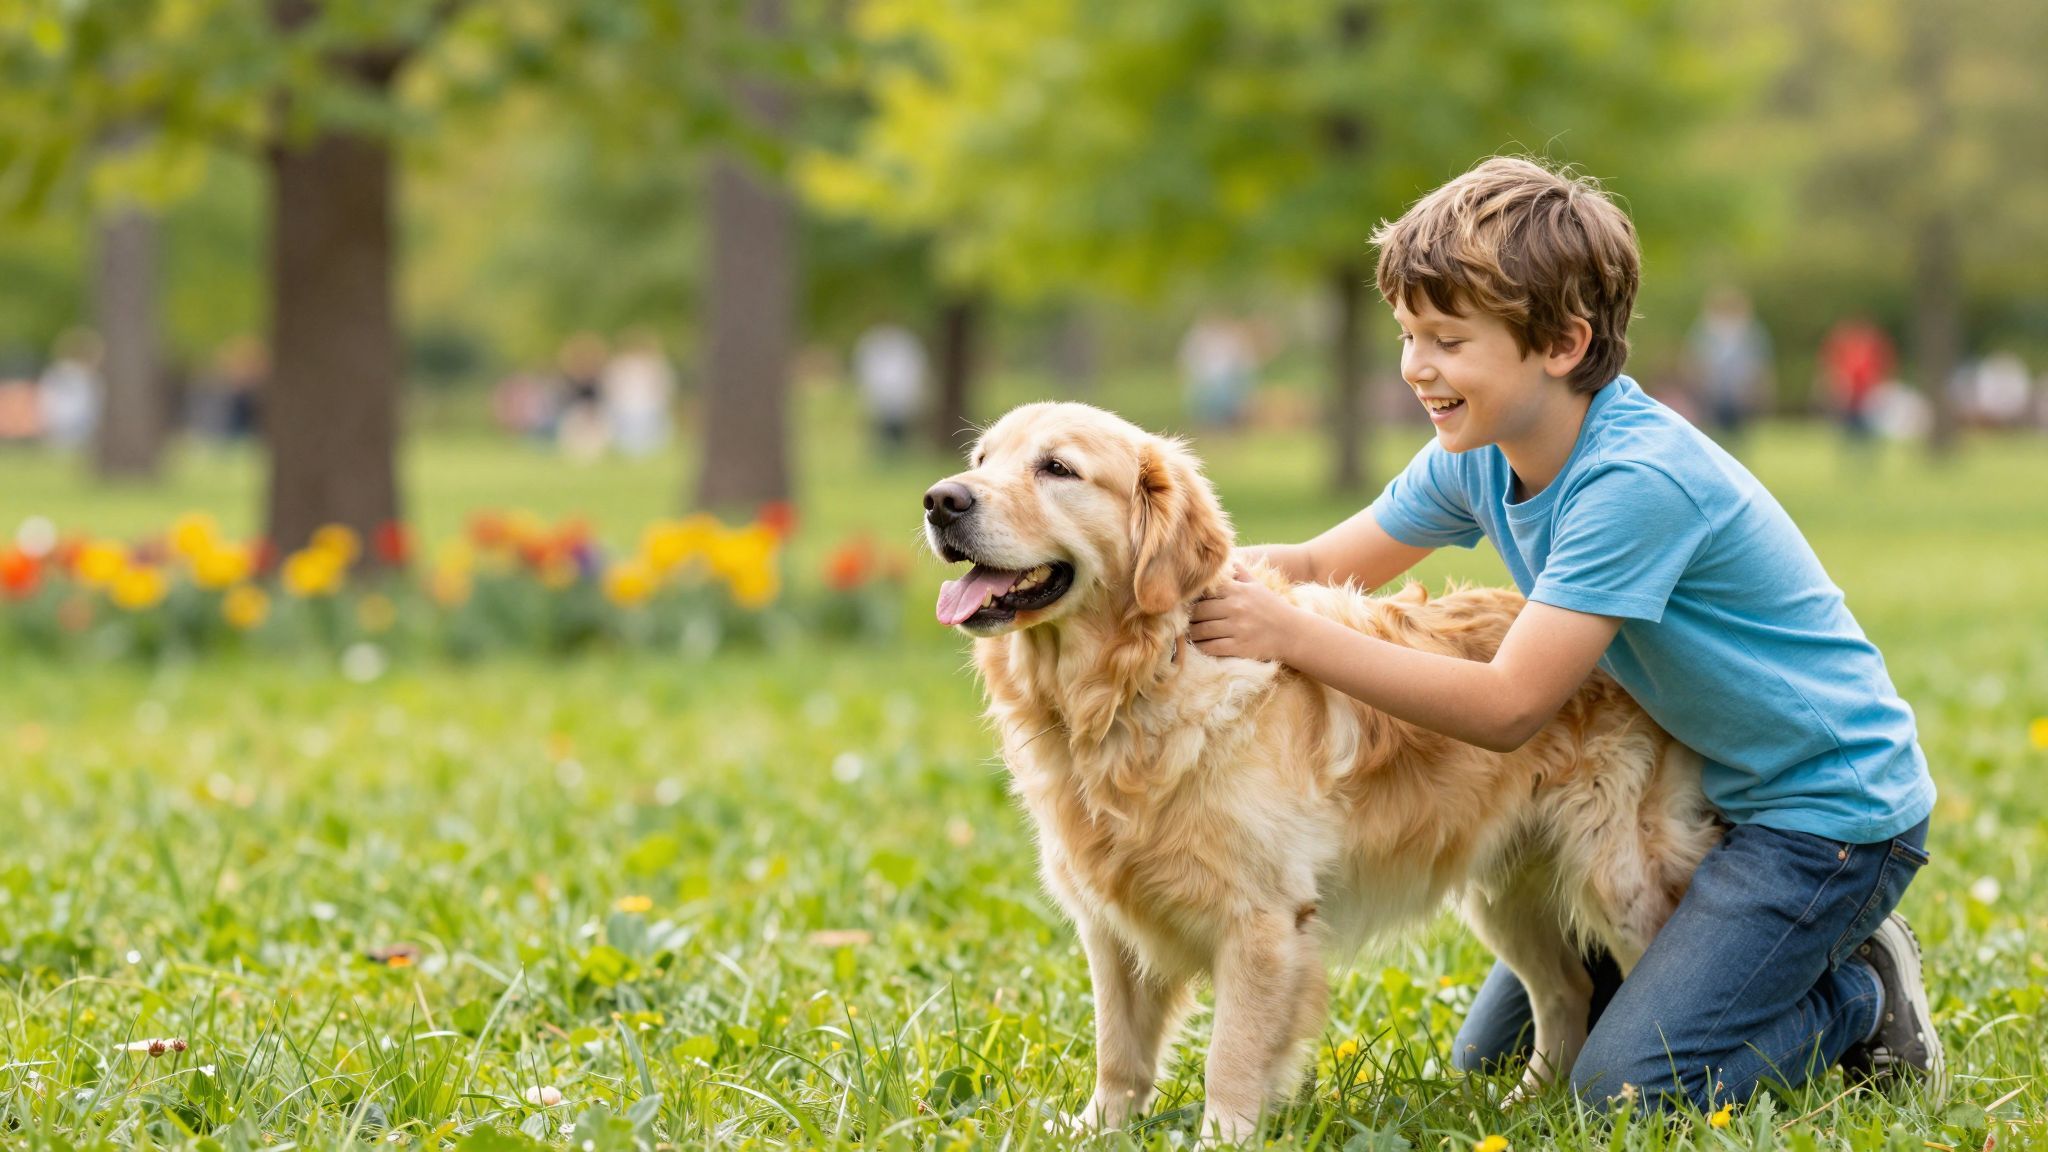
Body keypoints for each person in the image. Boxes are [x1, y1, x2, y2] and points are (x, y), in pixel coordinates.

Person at [1187, 157, 1941, 1111]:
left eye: (1449, 339)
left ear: (1562, 343)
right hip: (1713, 786)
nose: (1418, 366)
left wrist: (1287, 634)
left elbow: (1508, 708)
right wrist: (1173, 573)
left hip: (1825, 817)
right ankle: (1728, 965)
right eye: (1409, 335)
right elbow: (1315, 565)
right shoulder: (1478, 451)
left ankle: (1856, 995)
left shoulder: (1634, 482)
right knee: (1493, 1063)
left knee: (1622, 1087)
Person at [1685, 288, 1771, 450]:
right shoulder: (1704, 332)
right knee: (1713, 436)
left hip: (1741, 394)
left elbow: (1759, 365)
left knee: (1739, 436)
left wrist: (1757, 391)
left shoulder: (1752, 333)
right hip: (1712, 393)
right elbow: (1695, 362)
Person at [853, 323, 928, 454]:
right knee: (882, 428)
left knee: (900, 428)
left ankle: (900, 453)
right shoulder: (871, 342)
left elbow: (913, 369)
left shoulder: (905, 343)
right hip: (880, 393)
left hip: (901, 392)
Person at [1820, 318, 1894, 448]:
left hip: (1866, 393)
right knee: (1849, 424)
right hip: (1852, 394)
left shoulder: (1871, 349)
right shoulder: (1848, 348)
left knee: (1867, 424)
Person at [1179, 312, 1255, 429]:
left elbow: (1244, 363)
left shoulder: (1232, 337)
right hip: (1207, 382)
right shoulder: (1200, 337)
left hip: (1228, 383)